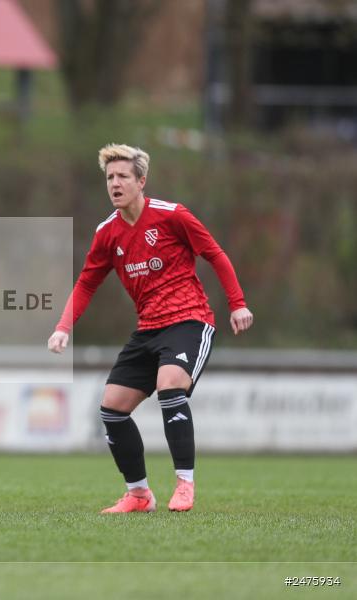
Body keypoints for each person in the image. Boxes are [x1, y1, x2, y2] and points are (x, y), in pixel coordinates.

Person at [48, 144, 253, 513]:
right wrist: (64, 326)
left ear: (141, 181)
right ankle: (139, 494)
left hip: (189, 321)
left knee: (170, 385)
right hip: (148, 330)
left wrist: (237, 303)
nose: (115, 183)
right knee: (112, 408)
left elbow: (215, 255)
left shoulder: (173, 216)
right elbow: (86, 284)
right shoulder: (107, 233)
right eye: (110, 177)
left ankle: (185, 484)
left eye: (123, 176)